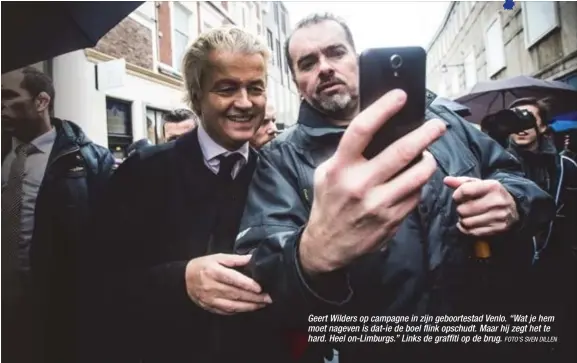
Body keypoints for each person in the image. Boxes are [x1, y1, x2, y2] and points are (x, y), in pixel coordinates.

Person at [234, 13, 555, 362]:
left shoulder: (442, 123)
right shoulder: (280, 160)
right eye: (307, 63)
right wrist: (309, 254)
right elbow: (260, 272)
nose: (324, 68)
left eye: (335, 53)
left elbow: (523, 184)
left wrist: (511, 201)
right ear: (296, 81)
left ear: (357, 61)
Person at [87, 26, 287, 363]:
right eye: (227, 88)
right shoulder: (143, 172)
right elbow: (98, 281)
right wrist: (181, 280)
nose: (245, 102)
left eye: (255, 88)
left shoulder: (277, 173)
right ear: (196, 96)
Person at [1, 66, 115, 363]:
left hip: (58, 305)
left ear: (41, 102)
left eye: (8, 97)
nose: (1, 106)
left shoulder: (90, 160)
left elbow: (109, 237)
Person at [505, 97, 577, 360]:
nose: (521, 128)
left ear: (543, 127)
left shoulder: (566, 167)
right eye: (515, 121)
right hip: (511, 269)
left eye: (528, 121)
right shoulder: (495, 166)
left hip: (557, 268)